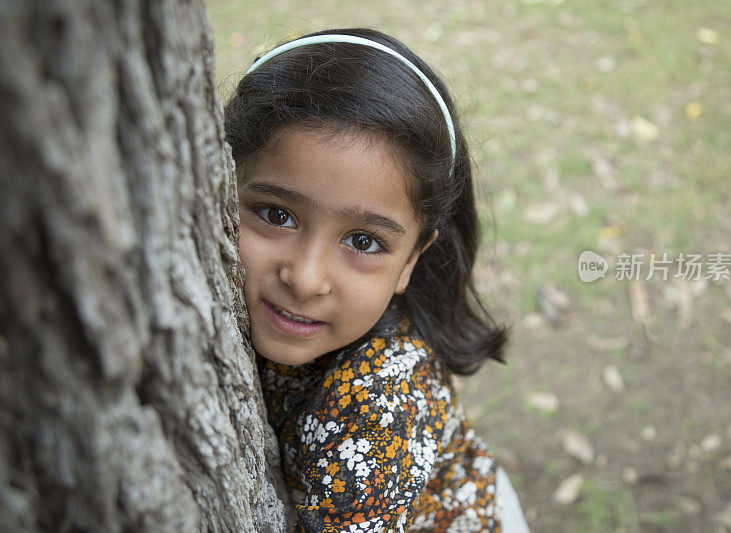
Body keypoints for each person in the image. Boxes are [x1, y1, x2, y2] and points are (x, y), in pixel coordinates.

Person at [224, 28, 529, 532]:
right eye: (276, 214)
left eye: (363, 242)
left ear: (411, 260)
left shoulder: (383, 406)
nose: (305, 279)